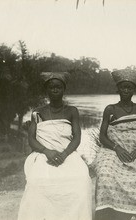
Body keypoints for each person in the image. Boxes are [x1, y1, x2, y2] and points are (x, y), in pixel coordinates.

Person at [18, 72, 92, 220]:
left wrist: (64, 154)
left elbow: (77, 137)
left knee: (82, 179)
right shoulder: (38, 112)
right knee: (37, 181)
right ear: (46, 90)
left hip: (68, 153)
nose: (55, 90)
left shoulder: (72, 111)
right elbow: (31, 139)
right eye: (51, 87)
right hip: (43, 154)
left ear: (64, 90)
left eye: (58, 87)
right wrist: (46, 151)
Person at [94, 69, 136, 220]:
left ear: (134, 89)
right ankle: (110, 214)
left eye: (129, 87)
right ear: (118, 89)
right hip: (113, 150)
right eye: (123, 87)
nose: (126, 90)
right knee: (105, 174)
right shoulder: (110, 109)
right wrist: (117, 148)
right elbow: (102, 136)